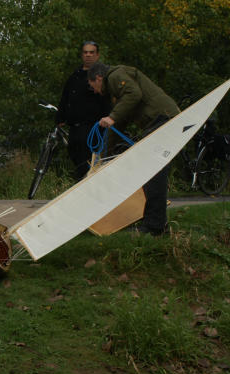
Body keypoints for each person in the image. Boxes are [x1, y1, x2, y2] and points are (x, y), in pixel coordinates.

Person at [87, 62, 180, 235]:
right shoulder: (116, 91)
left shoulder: (115, 76)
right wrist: (102, 158)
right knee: (151, 172)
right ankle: (156, 224)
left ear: (98, 78)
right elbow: (120, 123)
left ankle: (154, 226)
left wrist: (112, 117)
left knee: (152, 172)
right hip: (162, 119)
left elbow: (134, 94)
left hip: (163, 118)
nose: (96, 91)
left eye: (94, 87)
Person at [55, 41, 111, 180]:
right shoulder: (75, 76)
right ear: (82, 55)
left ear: (97, 55)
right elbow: (65, 97)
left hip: (94, 128)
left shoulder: (103, 76)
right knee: (77, 160)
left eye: (91, 52)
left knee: (92, 164)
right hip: (75, 128)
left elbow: (109, 99)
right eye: (85, 52)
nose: (88, 55)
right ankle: (80, 187)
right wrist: (60, 117)